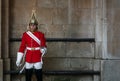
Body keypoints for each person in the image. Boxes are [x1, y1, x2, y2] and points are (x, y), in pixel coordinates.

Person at [16, 10, 47, 81]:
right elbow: (22, 46)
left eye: (34, 25)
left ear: (36, 26)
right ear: (29, 26)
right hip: (29, 56)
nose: (32, 26)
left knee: (39, 76)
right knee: (28, 76)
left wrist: (43, 49)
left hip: (37, 56)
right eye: (31, 25)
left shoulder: (41, 34)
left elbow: (43, 44)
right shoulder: (25, 35)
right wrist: (19, 58)